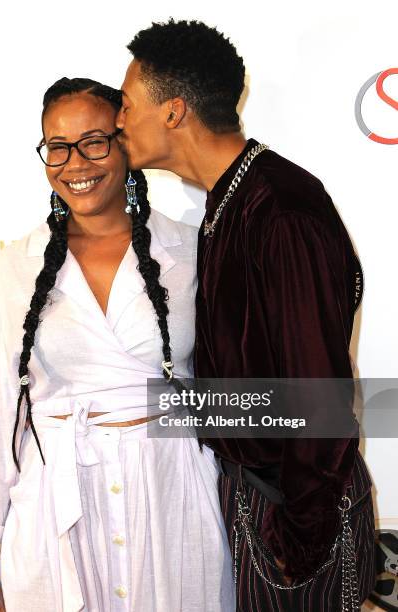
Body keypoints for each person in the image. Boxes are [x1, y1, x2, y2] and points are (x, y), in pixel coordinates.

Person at [117, 19, 376, 611]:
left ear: (175, 111)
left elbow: (316, 396)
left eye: (129, 104)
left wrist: (299, 539)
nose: (119, 119)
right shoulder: (229, 203)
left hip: (294, 515)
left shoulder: (279, 210)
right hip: (256, 501)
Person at [0, 77, 235, 612]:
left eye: (94, 141)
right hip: (58, 510)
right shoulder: (19, 263)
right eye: (57, 147)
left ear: (125, 142)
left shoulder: (192, 250)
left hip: (172, 498)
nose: (75, 162)